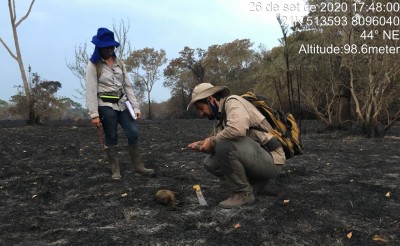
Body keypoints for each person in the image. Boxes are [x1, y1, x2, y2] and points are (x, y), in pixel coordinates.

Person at [187, 83, 286, 209]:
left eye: (201, 108)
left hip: (272, 160)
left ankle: (243, 193)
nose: (201, 113)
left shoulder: (232, 102)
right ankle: (254, 184)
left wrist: (212, 141)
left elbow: (237, 130)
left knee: (224, 146)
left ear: (211, 99)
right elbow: (223, 144)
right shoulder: (222, 115)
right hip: (259, 157)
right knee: (210, 163)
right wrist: (203, 146)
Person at [85, 27, 154, 179]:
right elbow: (90, 90)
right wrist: (94, 114)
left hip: (123, 103)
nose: (110, 50)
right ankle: (115, 170)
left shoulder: (120, 63)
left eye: (112, 47)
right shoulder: (94, 65)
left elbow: (128, 85)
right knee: (111, 135)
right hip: (105, 104)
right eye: (106, 48)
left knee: (133, 131)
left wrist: (135, 106)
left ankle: (138, 166)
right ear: (99, 47)